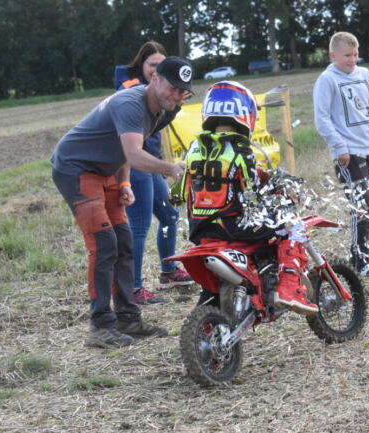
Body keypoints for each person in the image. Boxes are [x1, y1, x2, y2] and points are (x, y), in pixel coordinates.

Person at [51, 56, 192, 348]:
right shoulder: (130, 103)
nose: (177, 96)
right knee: (103, 244)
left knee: (123, 241)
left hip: (107, 171)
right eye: (172, 87)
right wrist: (170, 169)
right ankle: (100, 326)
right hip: (76, 167)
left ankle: (128, 317)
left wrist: (124, 182)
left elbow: (128, 150)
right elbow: (136, 154)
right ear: (154, 79)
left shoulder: (165, 110)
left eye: (183, 91)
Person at [175, 81, 318, 315]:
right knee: (292, 228)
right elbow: (251, 194)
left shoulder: (193, 148)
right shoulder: (242, 150)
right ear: (244, 113)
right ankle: (290, 289)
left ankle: (211, 308)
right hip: (231, 226)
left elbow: (179, 193)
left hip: (199, 230)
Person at [115, 41, 192, 305]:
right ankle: (133, 289)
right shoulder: (132, 91)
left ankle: (168, 271)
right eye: (152, 65)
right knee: (138, 226)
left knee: (170, 215)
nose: (155, 70)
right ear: (143, 67)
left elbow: (162, 120)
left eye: (161, 65)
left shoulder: (165, 94)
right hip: (136, 163)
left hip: (153, 162)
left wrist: (176, 102)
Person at [313, 32, 369, 277]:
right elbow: (322, 118)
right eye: (347, 55)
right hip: (350, 154)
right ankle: (361, 260)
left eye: (356, 54)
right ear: (333, 55)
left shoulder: (365, 75)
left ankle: (358, 252)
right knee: (360, 205)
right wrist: (339, 146)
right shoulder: (327, 80)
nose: (353, 60)